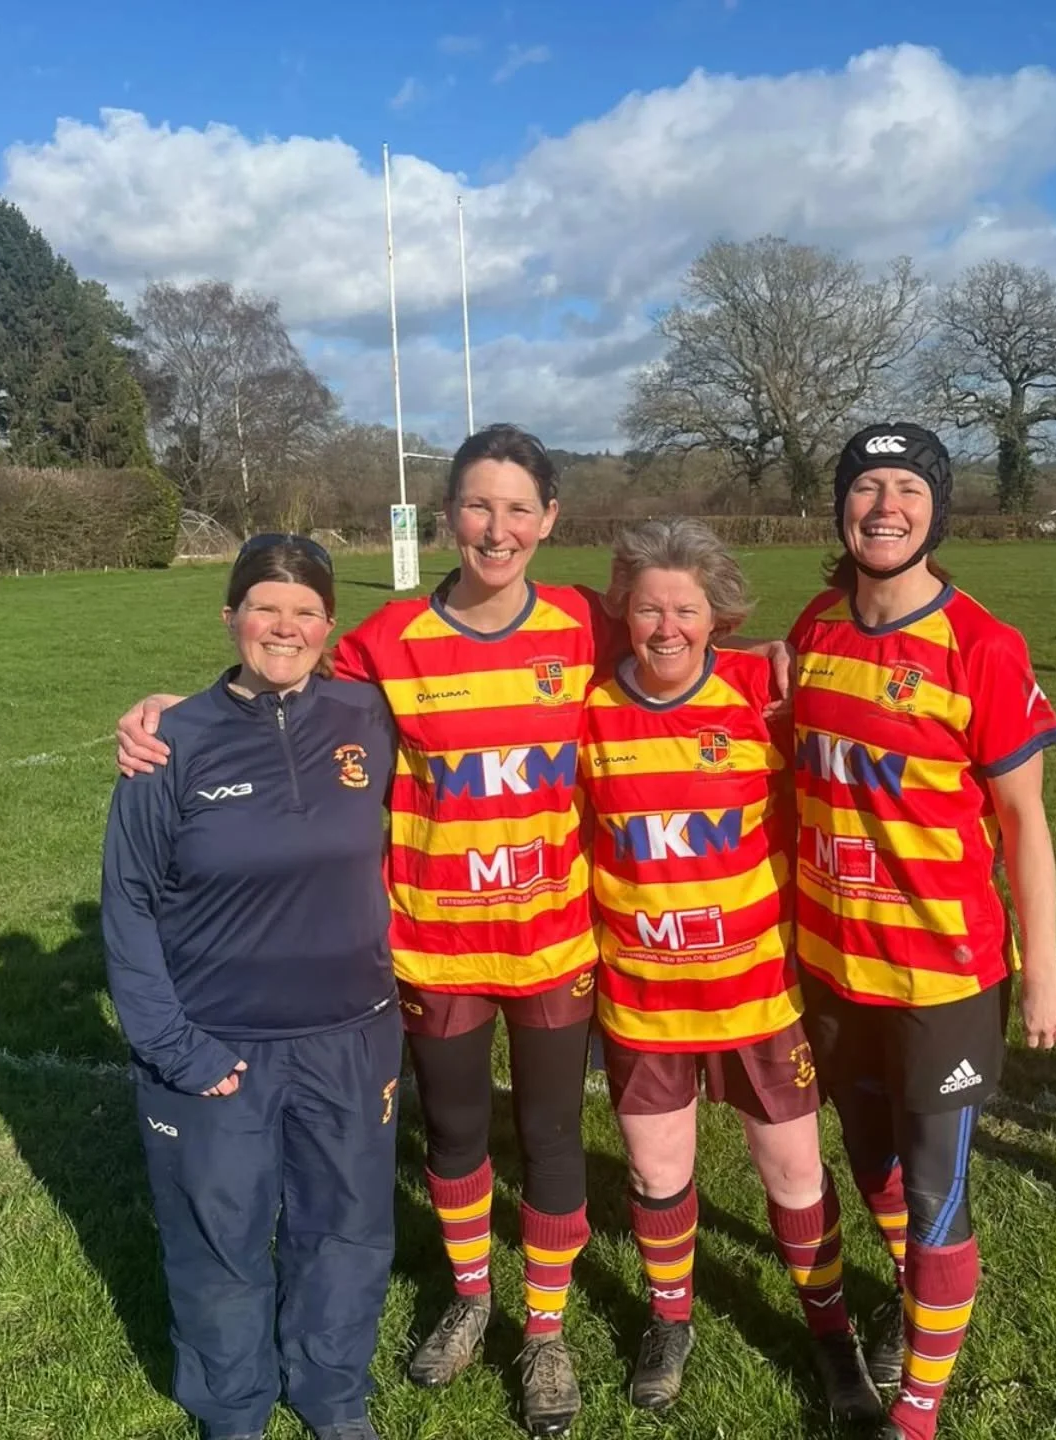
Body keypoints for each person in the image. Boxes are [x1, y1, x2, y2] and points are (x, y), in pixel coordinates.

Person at [115, 424, 789, 1438]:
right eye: (478, 505)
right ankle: (474, 1297)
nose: (498, 527)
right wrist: (170, 707)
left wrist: (765, 661)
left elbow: (674, 641)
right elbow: (274, 678)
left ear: (549, 521)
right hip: (434, 948)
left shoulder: (577, 623)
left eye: (520, 508)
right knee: (461, 1136)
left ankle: (547, 1333)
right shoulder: (385, 643)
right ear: (448, 518)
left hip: (556, 945)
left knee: (554, 1141)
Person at [788, 422, 1056, 1440]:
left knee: (938, 1184)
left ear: (935, 512)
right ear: (841, 508)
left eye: (907, 488)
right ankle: (915, 1298)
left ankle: (916, 1410)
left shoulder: (982, 646)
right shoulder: (817, 625)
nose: (885, 506)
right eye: (866, 486)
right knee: (873, 1168)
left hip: (941, 975)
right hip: (828, 964)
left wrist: (1040, 970)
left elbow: (1024, 822)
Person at [101, 536, 400, 1440]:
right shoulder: (169, 744)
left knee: (345, 1233)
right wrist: (178, 1050)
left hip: (353, 1037)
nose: (285, 626)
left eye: (306, 611)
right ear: (229, 617)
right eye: (265, 607)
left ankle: (331, 1394)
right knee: (218, 1242)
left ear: (329, 629)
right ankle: (232, 1412)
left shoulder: (368, 717)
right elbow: (129, 909)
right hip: (216, 1047)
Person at [581, 518, 880, 1420]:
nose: (666, 627)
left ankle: (831, 1331)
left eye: (687, 609)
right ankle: (671, 1319)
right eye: (647, 609)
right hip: (643, 996)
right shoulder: (589, 708)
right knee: (658, 1172)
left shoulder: (763, 689)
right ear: (622, 614)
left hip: (759, 993)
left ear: (720, 617)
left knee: (793, 1173)